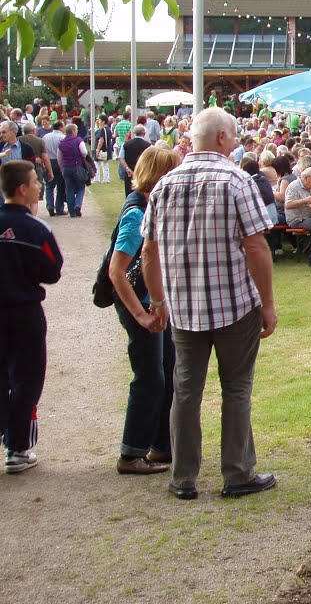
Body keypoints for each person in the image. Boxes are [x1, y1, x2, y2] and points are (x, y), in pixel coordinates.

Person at [141, 106, 277, 500]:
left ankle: (183, 478)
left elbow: (149, 251)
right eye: (233, 136)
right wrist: (267, 304)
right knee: (236, 388)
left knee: (186, 391)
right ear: (221, 138)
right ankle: (237, 474)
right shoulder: (236, 180)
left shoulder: (164, 184)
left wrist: (158, 300)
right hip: (234, 303)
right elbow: (256, 245)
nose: (235, 143)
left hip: (184, 308)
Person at [109, 147, 181, 475]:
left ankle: (162, 446)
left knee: (167, 369)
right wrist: (141, 314)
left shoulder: (154, 205)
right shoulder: (137, 212)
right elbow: (116, 271)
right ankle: (131, 452)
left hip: (153, 302)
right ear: (160, 175)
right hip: (138, 304)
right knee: (150, 377)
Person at [0, 160, 63, 473]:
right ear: (23, 189)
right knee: (27, 379)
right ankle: (17, 447)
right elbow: (53, 270)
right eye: (36, 182)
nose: (40, 186)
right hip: (24, 313)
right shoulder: (36, 229)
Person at [57, 123, 90, 217]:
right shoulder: (78, 140)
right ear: (72, 131)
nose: (77, 132)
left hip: (66, 168)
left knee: (69, 189)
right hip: (77, 167)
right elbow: (84, 152)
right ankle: (78, 205)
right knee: (80, 187)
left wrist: (61, 167)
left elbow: (59, 157)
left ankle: (72, 212)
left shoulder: (62, 142)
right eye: (76, 130)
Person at [120, 124, 151, 198]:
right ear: (144, 133)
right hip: (143, 172)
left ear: (134, 133)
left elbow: (121, 158)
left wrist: (127, 169)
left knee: (129, 193)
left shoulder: (125, 144)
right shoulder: (149, 146)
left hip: (129, 172)